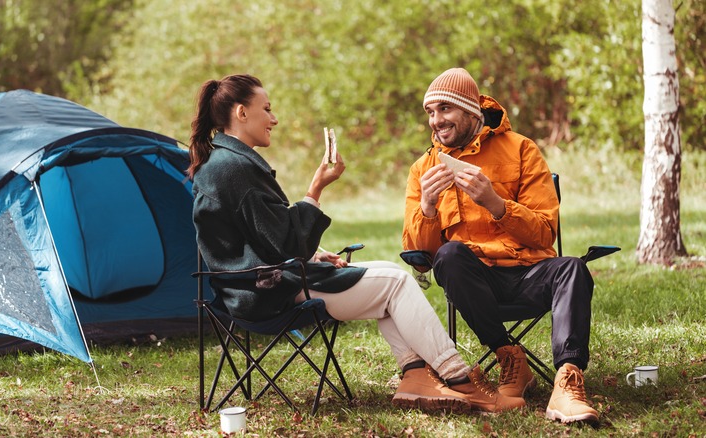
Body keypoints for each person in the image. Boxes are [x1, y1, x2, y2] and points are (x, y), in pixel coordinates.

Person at [188, 73, 525, 414]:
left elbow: (259, 238)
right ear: (241, 113)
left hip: (254, 285)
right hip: (268, 293)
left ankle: (415, 375)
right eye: (267, 109)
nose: (274, 119)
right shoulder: (234, 168)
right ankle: (460, 380)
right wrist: (314, 190)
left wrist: (315, 255)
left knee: (390, 276)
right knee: (396, 283)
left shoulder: (224, 162)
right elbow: (287, 242)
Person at [402, 67, 600, 424]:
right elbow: (422, 261)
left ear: (471, 111)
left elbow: (544, 232)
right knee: (449, 255)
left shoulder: (522, 149)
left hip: (530, 274)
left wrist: (496, 204)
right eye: (430, 112)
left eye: (444, 109)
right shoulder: (424, 169)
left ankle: (568, 383)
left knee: (573, 267)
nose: (435, 120)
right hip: (477, 284)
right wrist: (428, 209)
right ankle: (509, 357)